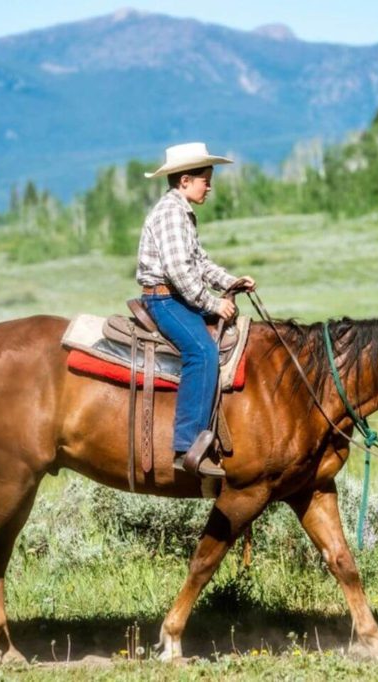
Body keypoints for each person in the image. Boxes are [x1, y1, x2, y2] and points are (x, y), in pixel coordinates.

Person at [137, 142, 255, 477]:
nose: (210, 185)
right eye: (205, 178)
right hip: (164, 299)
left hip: (176, 295)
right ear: (185, 180)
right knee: (202, 352)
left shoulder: (182, 212)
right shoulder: (171, 214)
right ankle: (187, 446)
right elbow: (178, 271)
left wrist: (231, 282)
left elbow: (199, 262)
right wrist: (213, 302)